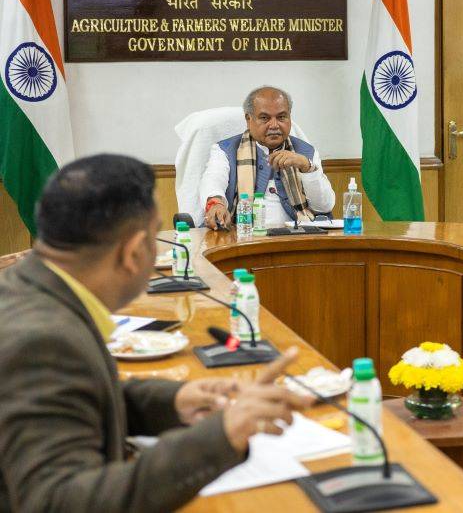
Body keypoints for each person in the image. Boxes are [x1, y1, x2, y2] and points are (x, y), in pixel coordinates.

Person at [0, 154, 311, 511]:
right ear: (134, 253)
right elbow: (58, 501)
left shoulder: (27, 288)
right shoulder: (42, 341)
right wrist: (221, 435)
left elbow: (75, 399)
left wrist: (175, 401)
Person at [200, 86, 335, 230]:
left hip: (296, 238)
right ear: (248, 119)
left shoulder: (305, 151)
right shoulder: (226, 150)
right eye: (265, 118)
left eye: (281, 117)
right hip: (242, 236)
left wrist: (306, 167)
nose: (274, 125)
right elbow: (213, 181)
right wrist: (216, 204)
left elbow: (324, 207)